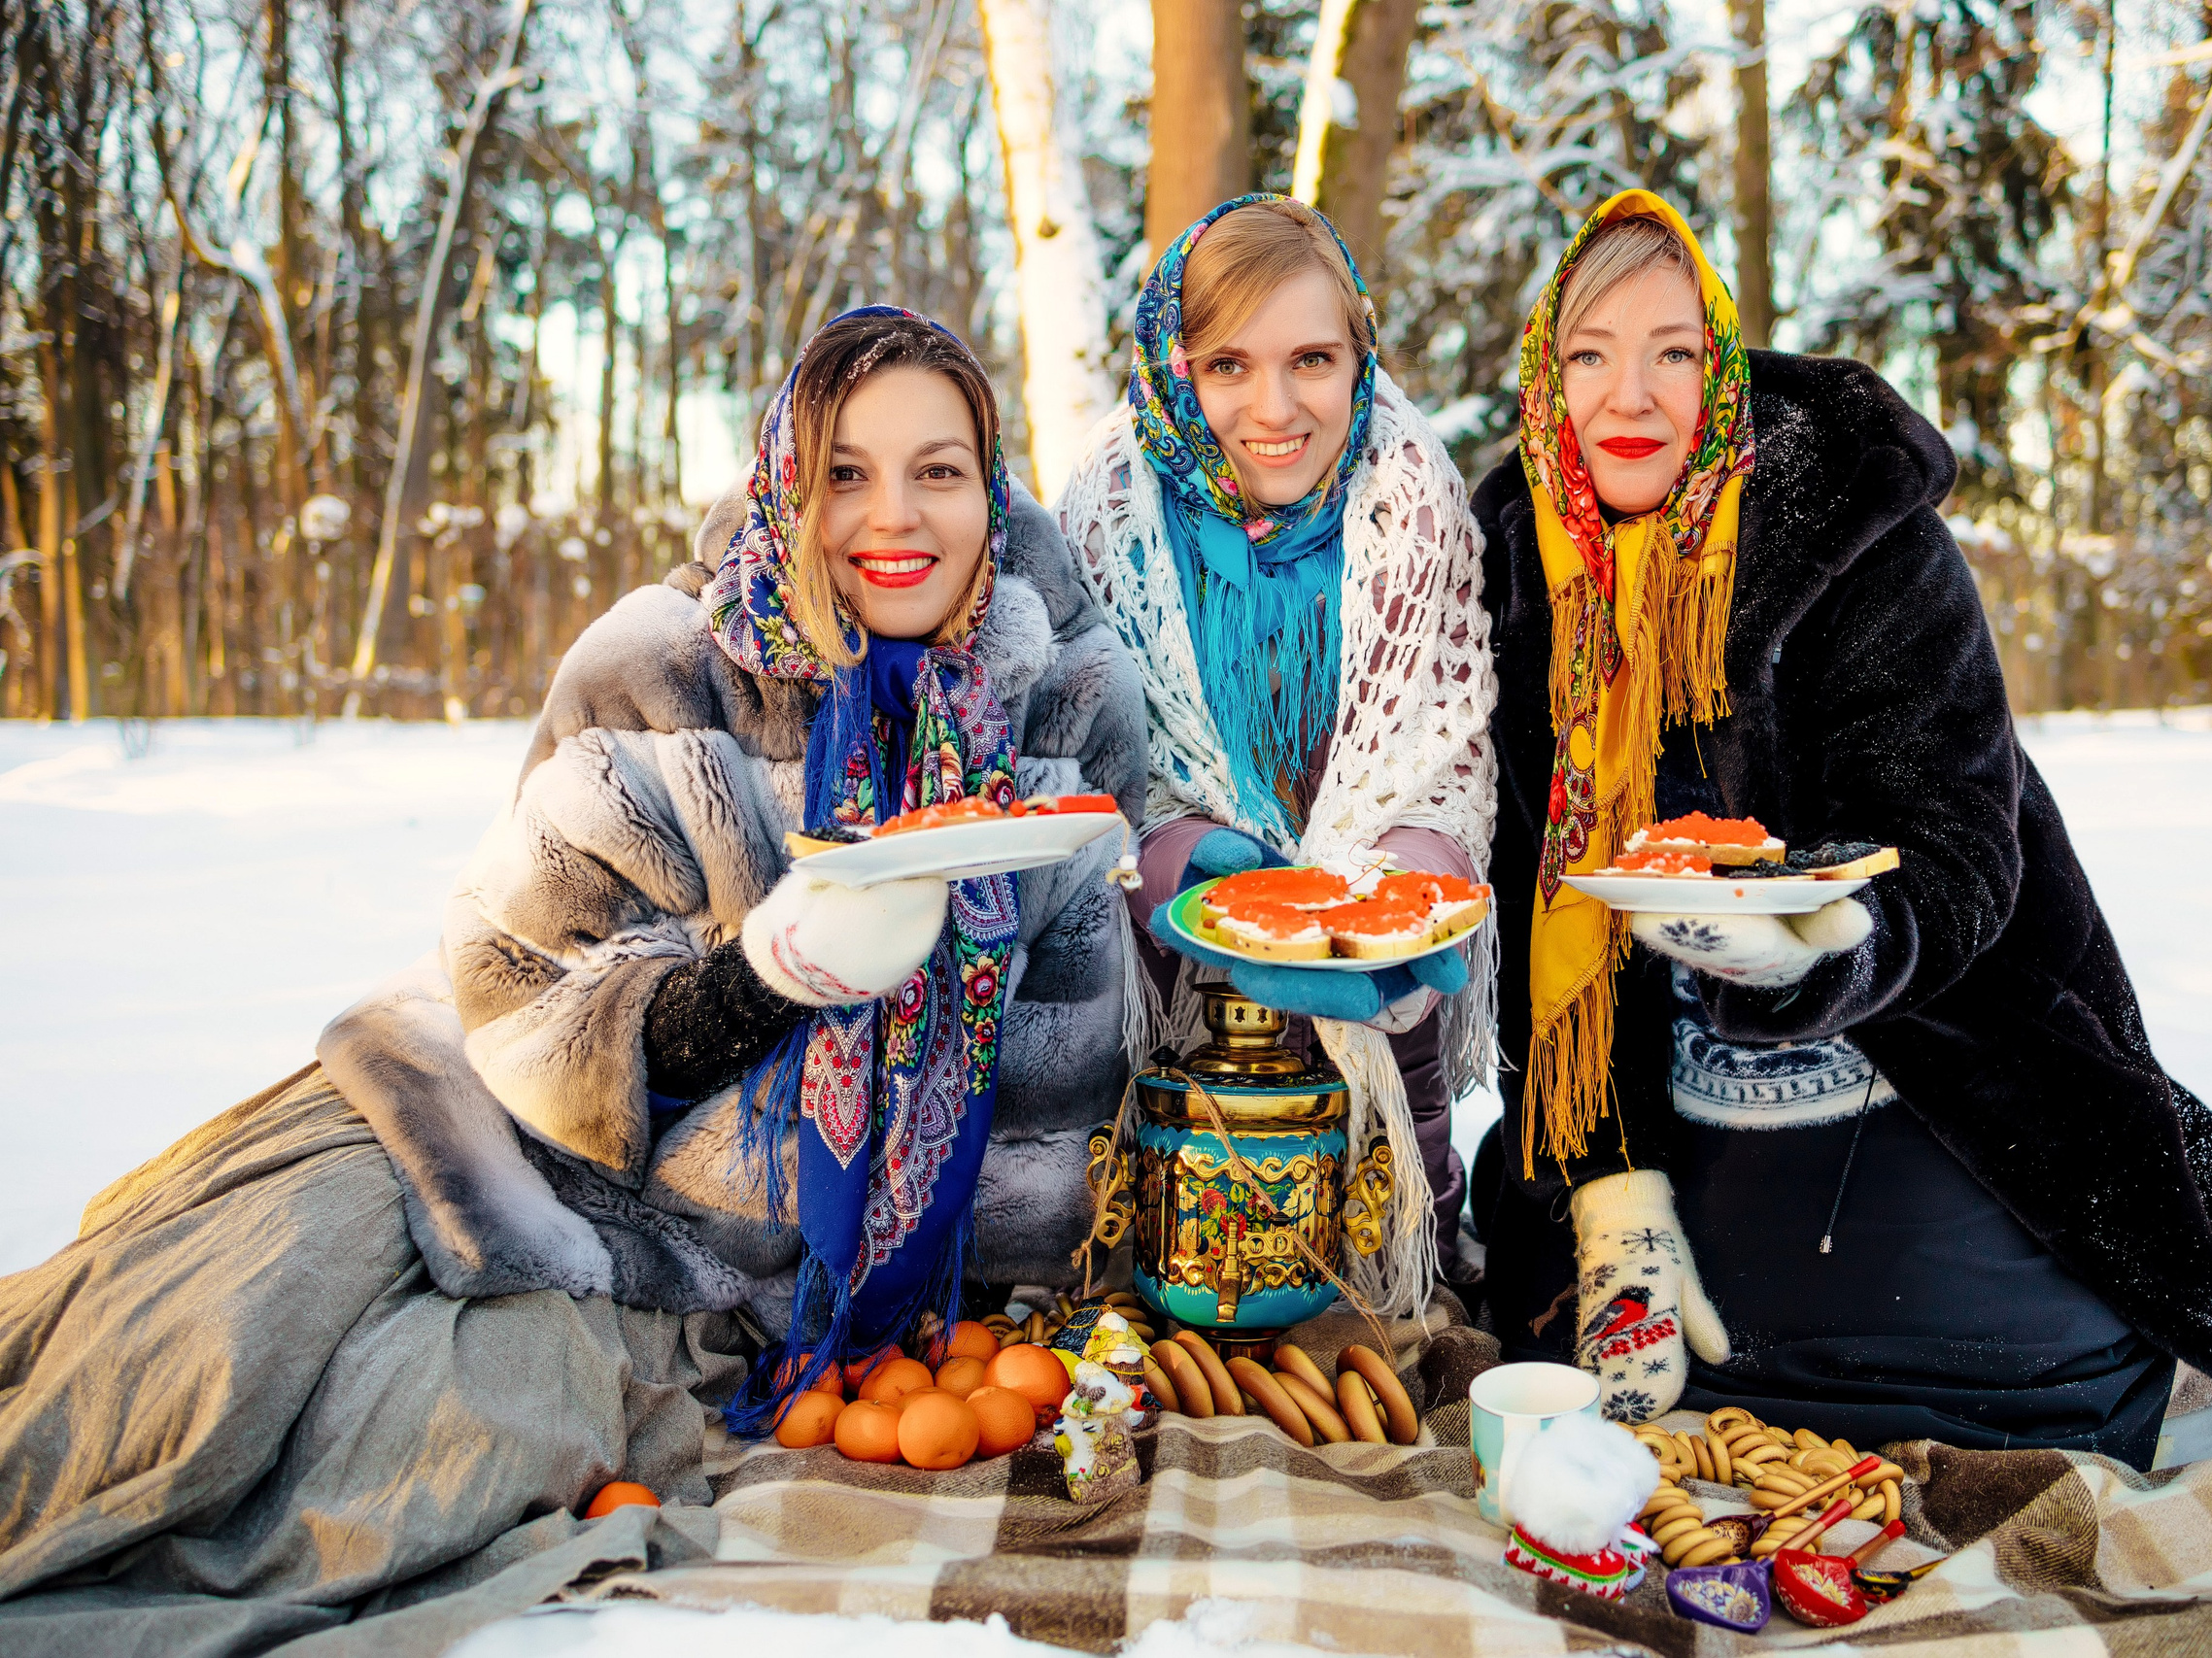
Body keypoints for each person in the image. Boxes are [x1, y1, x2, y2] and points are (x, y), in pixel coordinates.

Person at [0, 307, 1143, 1650]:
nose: (892, 515)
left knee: (441, 1439)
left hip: (713, 1285)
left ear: (989, 493)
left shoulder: (1060, 711)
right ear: (787, 477)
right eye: (846, 469)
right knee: (217, 1350)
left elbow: (1056, 1110)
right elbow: (514, 983)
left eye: (937, 470)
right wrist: (754, 984)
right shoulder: (663, 665)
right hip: (500, 1137)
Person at [1469, 192, 2212, 1468]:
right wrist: (1612, 1185)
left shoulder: (1854, 534)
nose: (1627, 395)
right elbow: (1541, 932)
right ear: (1548, 374)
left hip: (1930, 1034)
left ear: (1725, 367)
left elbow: (1967, 851)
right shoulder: (1523, 570)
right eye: (1589, 353)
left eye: (1673, 352)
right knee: (1579, 1332)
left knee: (1955, 1355)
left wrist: (1830, 939)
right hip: (1669, 1065)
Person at [1058, 195, 1496, 1298]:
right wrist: (1180, 858)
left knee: (1386, 1291)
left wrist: (1408, 880)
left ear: (1359, 356)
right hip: (1171, 1001)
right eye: (1227, 366)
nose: (1275, 407)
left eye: (1311, 358)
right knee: (1190, 1284)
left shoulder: (1418, 506)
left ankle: (1402, 1278)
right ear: (1174, 370)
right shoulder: (1109, 520)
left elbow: (1445, 754)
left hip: (1384, 1001)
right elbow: (1088, 766)